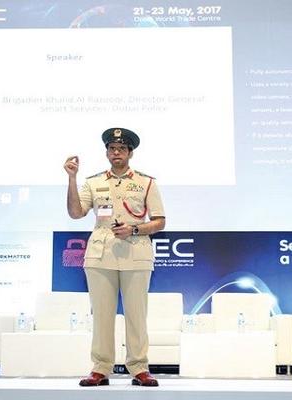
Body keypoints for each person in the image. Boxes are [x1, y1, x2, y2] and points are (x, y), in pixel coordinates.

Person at [64, 127, 166, 387]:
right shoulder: (93, 182)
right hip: (101, 254)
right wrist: (72, 179)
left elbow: (159, 221)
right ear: (107, 152)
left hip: (136, 252)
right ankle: (100, 368)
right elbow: (76, 213)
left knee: (136, 315)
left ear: (130, 153)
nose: (116, 152)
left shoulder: (146, 182)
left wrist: (134, 229)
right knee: (101, 315)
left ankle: (139, 368)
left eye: (121, 149)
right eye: (112, 149)